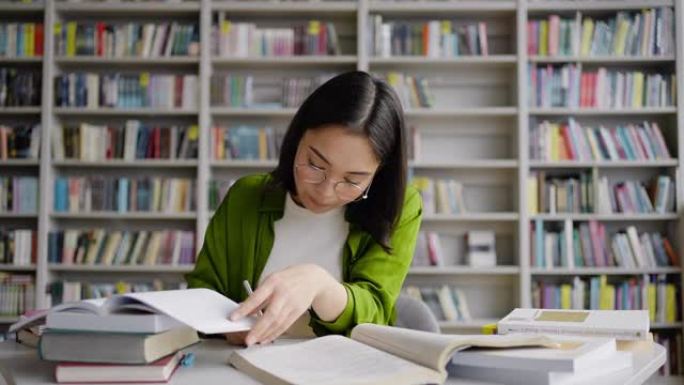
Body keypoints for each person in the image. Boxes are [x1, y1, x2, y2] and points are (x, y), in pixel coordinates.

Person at [185, 71, 422, 346]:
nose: (324, 192)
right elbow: (201, 291)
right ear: (297, 138)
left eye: (352, 181)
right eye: (315, 165)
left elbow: (377, 311)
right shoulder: (245, 197)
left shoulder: (399, 206)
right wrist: (227, 324)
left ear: (378, 174)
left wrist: (319, 285)